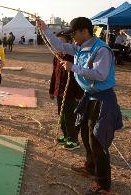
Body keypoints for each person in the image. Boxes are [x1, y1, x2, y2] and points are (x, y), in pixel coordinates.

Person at [36, 17, 123, 195]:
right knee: (85, 133)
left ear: (84, 31)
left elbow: (101, 74)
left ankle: (104, 185)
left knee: (98, 140)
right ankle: (91, 167)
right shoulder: (79, 47)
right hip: (89, 97)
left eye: (74, 33)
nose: (72, 37)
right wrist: (44, 28)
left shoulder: (101, 50)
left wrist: (73, 67)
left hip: (102, 99)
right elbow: (59, 46)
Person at [49, 31, 84, 151]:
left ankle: (73, 140)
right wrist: (52, 90)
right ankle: (66, 135)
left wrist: (79, 94)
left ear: (69, 43)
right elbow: (54, 75)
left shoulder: (74, 57)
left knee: (70, 116)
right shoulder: (57, 57)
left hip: (71, 92)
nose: (58, 45)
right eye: (56, 42)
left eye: (61, 42)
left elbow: (79, 76)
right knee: (61, 115)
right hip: (59, 91)